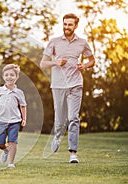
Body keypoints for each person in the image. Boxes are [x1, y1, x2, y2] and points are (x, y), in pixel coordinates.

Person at [40, 13, 95, 163]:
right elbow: (43, 63)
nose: (67, 27)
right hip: (58, 85)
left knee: (73, 118)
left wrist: (84, 65)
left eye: (70, 24)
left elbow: (92, 60)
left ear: (76, 25)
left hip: (76, 84)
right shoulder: (54, 42)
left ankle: (73, 153)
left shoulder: (82, 43)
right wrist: (55, 62)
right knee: (60, 120)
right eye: (65, 24)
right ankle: (57, 136)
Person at [0, 64, 27, 168]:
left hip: (15, 121)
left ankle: (11, 163)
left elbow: (23, 106)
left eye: (12, 75)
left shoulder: (19, 92)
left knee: (13, 141)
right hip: (1, 120)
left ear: (17, 77)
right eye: (6, 75)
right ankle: (5, 150)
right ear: (3, 77)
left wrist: (24, 119)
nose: (9, 77)